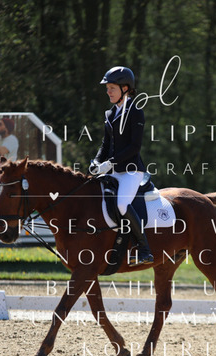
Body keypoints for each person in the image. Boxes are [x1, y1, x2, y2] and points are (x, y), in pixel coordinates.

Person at [90, 66, 154, 266]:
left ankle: (144, 249)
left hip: (131, 172)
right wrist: (96, 162)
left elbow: (134, 147)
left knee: (121, 204)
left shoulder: (136, 112)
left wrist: (110, 163)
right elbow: (105, 145)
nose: (108, 92)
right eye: (107, 88)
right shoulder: (110, 114)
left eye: (112, 88)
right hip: (112, 170)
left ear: (125, 88)